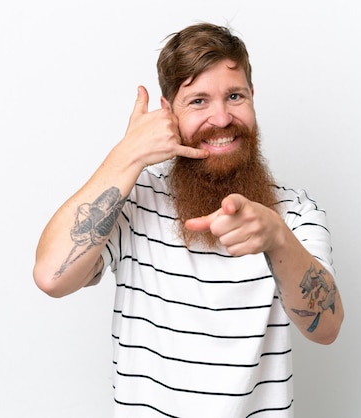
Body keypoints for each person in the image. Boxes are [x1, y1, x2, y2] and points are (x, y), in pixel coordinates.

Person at [33, 22, 344, 418]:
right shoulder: (133, 199)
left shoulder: (295, 213)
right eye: (198, 101)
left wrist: (277, 239)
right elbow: (50, 277)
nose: (220, 118)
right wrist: (126, 155)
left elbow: (327, 328)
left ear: (253, 97)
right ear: (168, 113)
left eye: (234, 96)